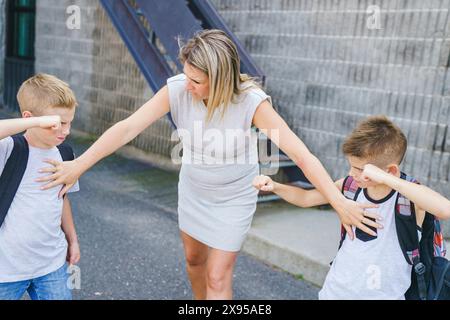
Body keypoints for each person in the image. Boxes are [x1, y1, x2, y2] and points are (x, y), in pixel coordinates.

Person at [37, 29, 381, 300]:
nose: (188, 84)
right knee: (194, 262)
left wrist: (338, 202)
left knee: (219, 275)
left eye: (197, 80)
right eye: (186, 74)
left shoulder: (251, 103)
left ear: (220, 78)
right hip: (194, 190)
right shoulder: (177, 89)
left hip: (235, 196)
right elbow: (127, 127)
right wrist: (79, 164)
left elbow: (303, 156)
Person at [253, 115, 450, 299]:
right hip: (335, 291)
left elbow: (444, 209)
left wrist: (388, 179)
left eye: (359, 169)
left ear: (389, 170)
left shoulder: (407, 198)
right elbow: (306, 198)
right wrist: (276, 186)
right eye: (351, 166)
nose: (351, 173)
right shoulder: (351, 185)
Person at [0, 74, 80, 300]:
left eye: (69, 122)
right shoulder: (8, 149)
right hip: (6, 269)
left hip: (51, 266)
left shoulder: (65, 153)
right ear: (29, 119)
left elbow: (62, 198)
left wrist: (72, 239)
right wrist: (35, 122)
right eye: (58, 124)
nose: (66, 130)